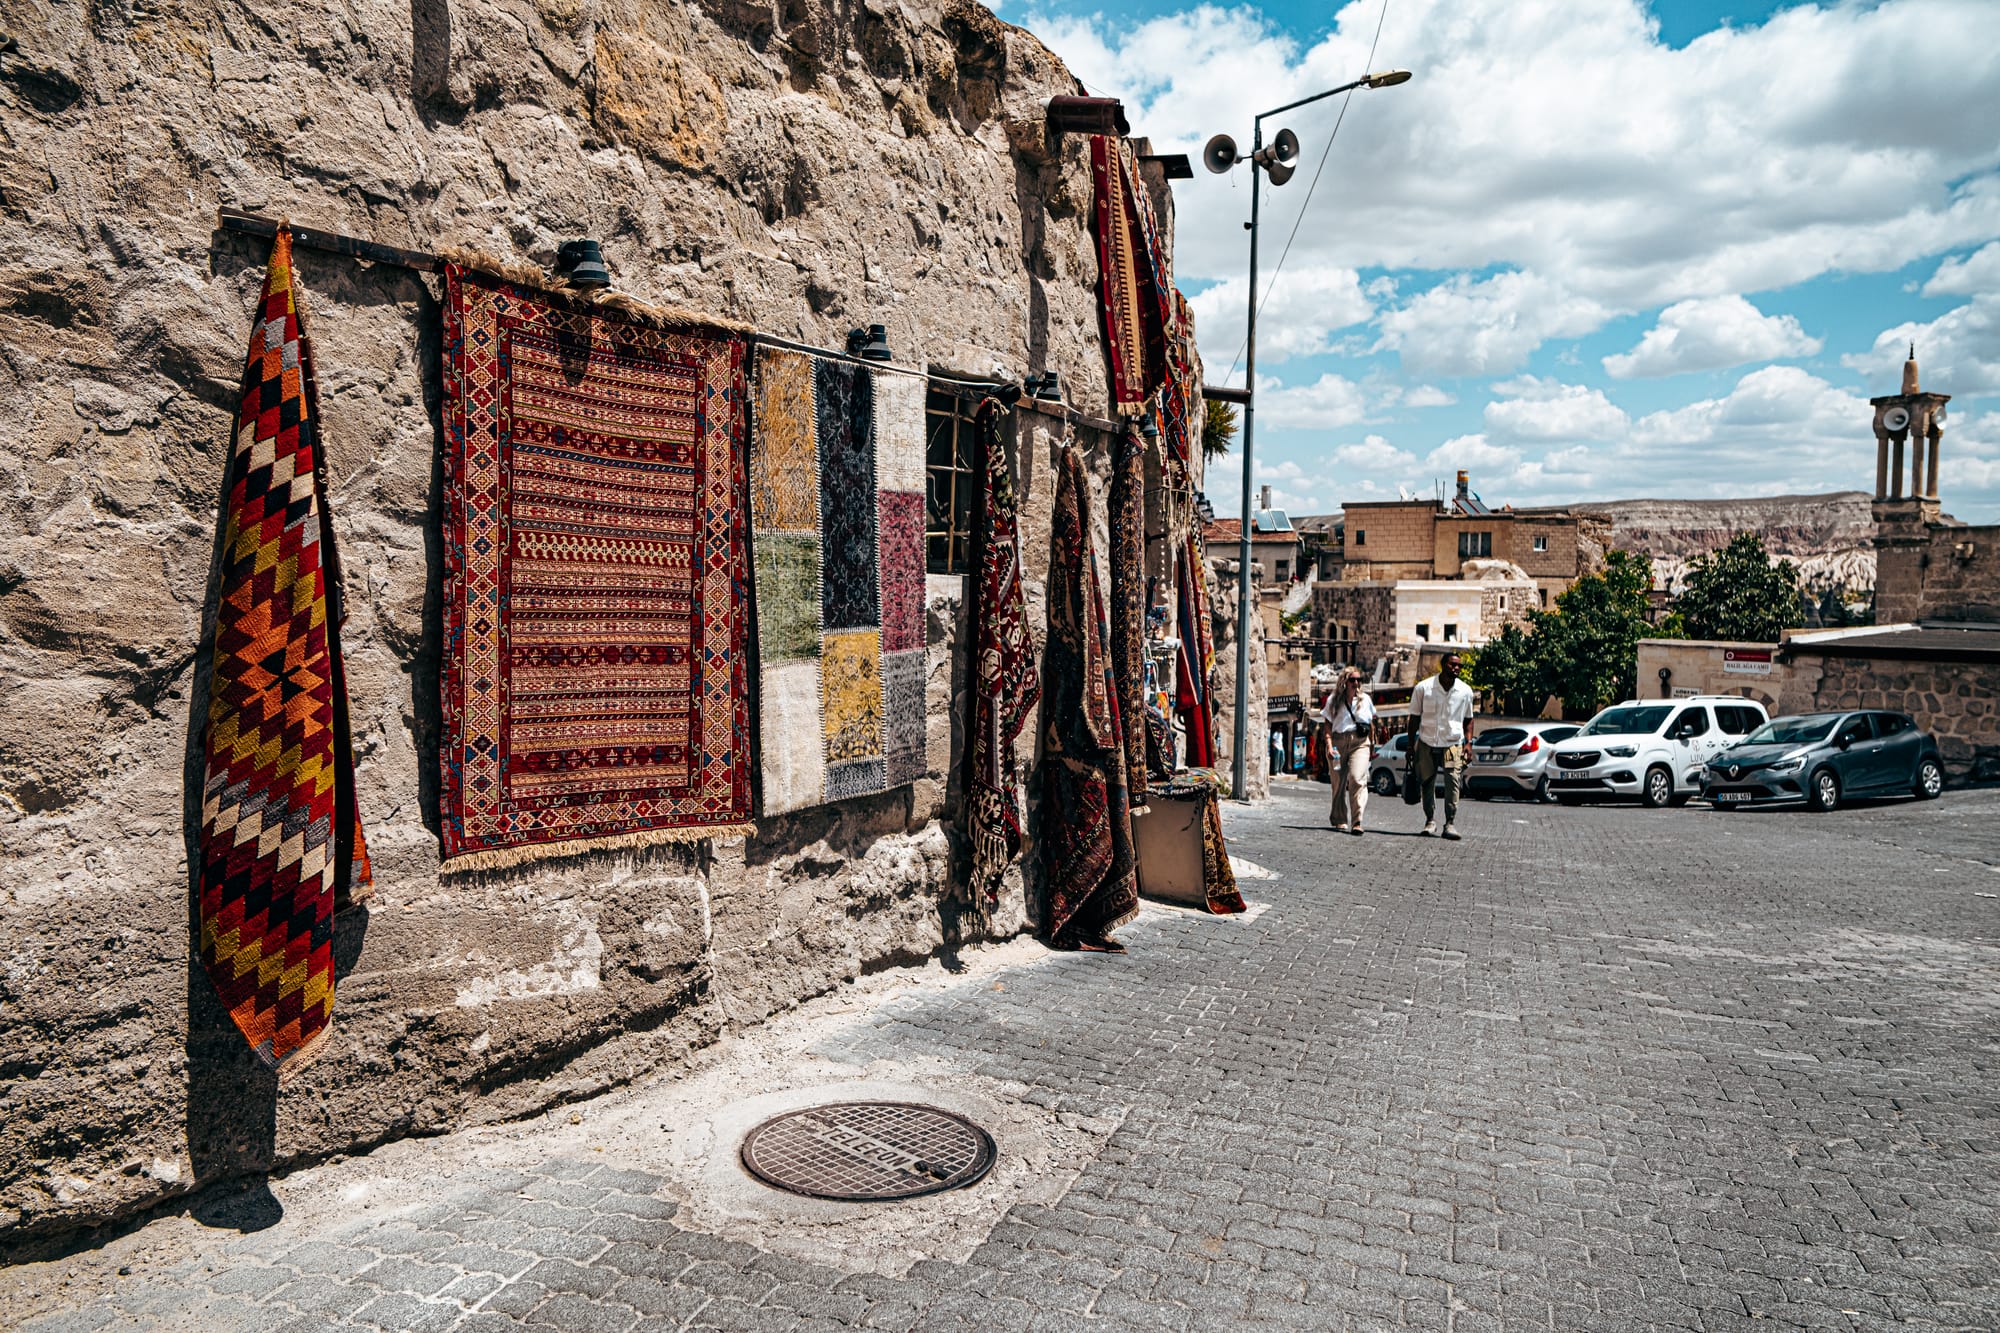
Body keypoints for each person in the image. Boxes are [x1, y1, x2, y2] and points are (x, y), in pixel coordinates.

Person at [1405, 651, 1475, 839]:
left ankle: (1450, 823)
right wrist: (1411, 745)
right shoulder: (1423, 688)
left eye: (1459, 665)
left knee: (1453, 781)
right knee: (1427, 782)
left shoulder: (1465, 691)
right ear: (1443, 665)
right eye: (1453, 664)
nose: (1456, 668)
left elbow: (1469, 719)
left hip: (1452, 742)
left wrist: (1468, 744)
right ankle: (1430, 820)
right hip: (1427, 741)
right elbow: (1413, 719)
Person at [1321, 668, 1375, 835]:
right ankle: (1339, 818)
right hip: (1337, 742)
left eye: (1359, 680)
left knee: (1357, 778)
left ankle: (1357, 821)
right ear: (1344, 682)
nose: (1356, 683)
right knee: (1338, 783)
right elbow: (1328, 726)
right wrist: (1329, 746)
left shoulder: (1366, 699)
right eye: (1353, 680)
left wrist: (1372, 745)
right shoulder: (1333, 700)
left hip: (1359, 743)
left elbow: (1371, 723)